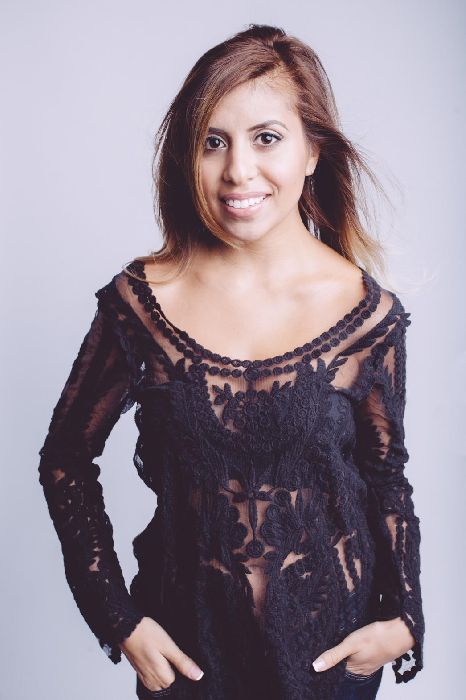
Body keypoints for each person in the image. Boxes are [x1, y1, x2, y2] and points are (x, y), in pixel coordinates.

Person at [38, 23, 425, 700]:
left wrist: (406, 620)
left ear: (312, 151)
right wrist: (118, 619)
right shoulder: (141, 303)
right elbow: (66, 456)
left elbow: (385, 477)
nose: (238, 170)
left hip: (330, 664)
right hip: (191, 661)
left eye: (266, 138)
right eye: (212, 142)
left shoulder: (366, 314)